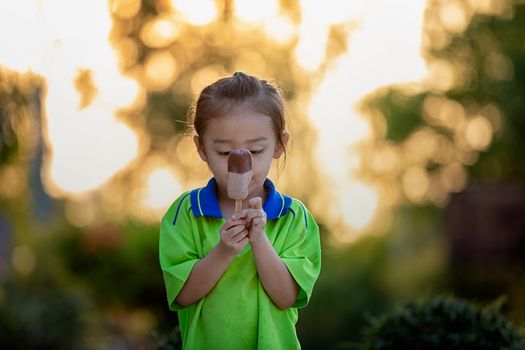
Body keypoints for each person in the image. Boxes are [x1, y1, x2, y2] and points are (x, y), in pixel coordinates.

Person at [159, 72, 321, 349]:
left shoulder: (295, 219)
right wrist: (223, 251)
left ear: (280, 145)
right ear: (201, 148)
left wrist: (259, 241)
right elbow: (183, 295)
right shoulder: (184, 214)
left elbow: (286, 297)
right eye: (224, 153)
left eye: (256, 151)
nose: (242, 161)